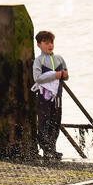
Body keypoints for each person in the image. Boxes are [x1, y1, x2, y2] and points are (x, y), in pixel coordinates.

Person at [32, 31, 69, 160]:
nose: (50, 45)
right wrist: (55, 75)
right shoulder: (39, 61)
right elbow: (38, 79)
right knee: (44, 121)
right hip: (44, 96)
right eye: (46, 43)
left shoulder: (59, 59)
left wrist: (64, 75)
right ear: (39, 45)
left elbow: (66, 76)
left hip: (58, 95)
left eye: (51, 42)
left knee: (56, 121)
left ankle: (52, 147)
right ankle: (45, 149)